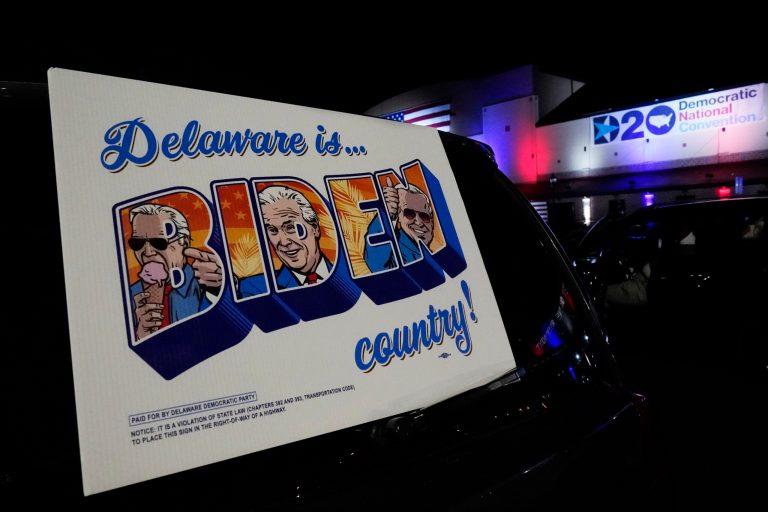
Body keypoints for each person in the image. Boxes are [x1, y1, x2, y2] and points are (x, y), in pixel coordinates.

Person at [129, 203, 222, 341]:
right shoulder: (131, 295)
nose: (147, 252)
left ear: (183, 242)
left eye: (159, 242)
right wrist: (140, 336)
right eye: (138, 243)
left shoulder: (207, 285)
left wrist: (219, 290)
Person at [238, 186, 331, 296]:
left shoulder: (347, 271)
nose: (284, 242)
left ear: (314, 228)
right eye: (272, 230)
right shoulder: (253, 288)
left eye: (291, 227)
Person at [364, 182, 435, 272]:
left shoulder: (435, 257)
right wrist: (386, 216)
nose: (419, 222)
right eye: (409, 214)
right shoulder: (395, 253)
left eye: (424, 216)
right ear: (398, 216)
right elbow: (376, 262)